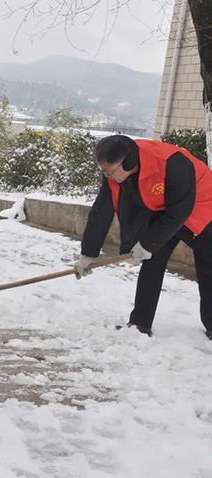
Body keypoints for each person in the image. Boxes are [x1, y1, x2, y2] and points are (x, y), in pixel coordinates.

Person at [75, 135, 212, 339]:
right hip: (163, 210)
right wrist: (88, 253)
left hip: (203, 209)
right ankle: (140, 323)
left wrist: (149, 243)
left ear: (128, 163)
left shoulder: (173, 163)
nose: (108, 177)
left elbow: (180, 210)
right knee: (152, 263)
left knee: (208, 267)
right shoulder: (115, 173)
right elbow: (102, 210)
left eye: (110, 172)